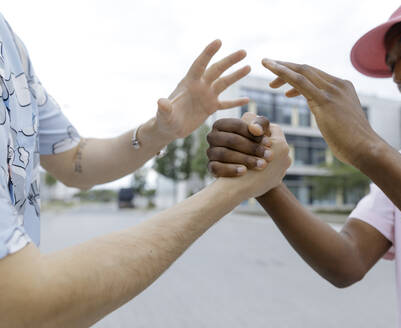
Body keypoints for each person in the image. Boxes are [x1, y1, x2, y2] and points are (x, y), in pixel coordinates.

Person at [206, 0, 401, 326]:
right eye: (392, 65)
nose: (400, 74)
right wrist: (264, 179)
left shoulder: (391, 164)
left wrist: (368, 148)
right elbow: (347, 260)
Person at [0, 12, 292, 327]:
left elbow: (73, 159)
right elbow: (24, 305)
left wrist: (160, 131)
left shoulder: (10, 44)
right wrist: (234, 189)